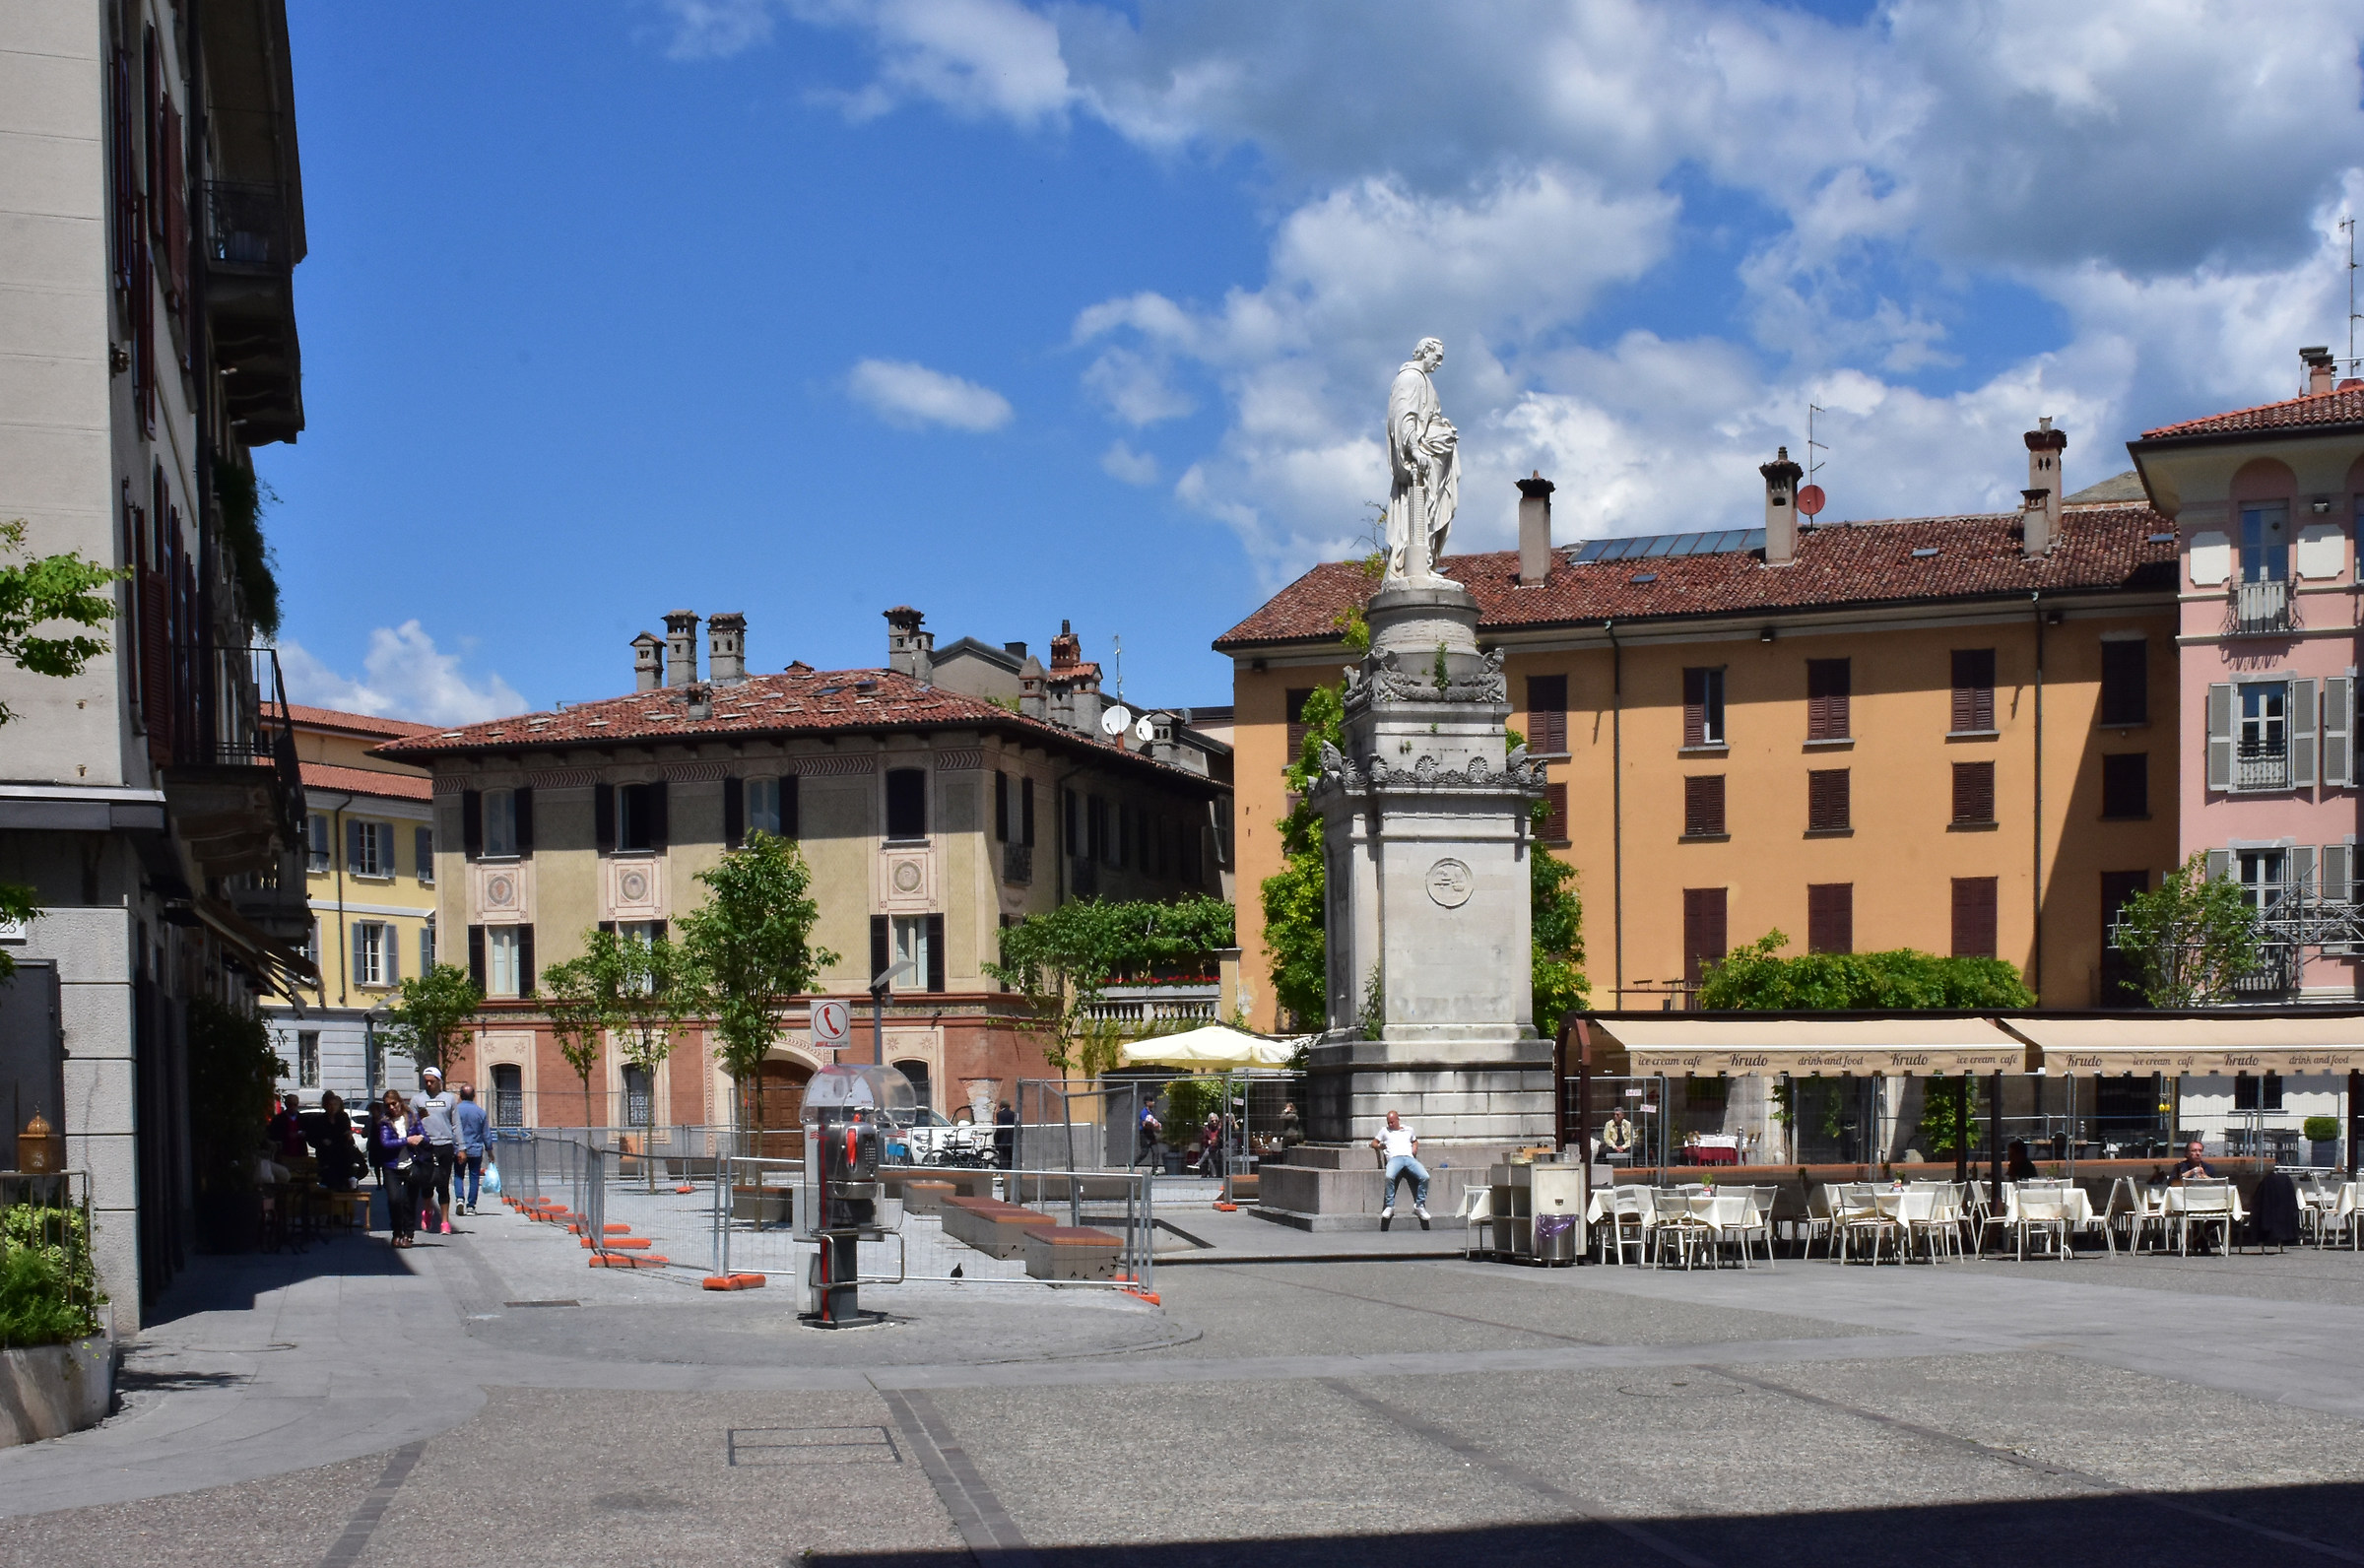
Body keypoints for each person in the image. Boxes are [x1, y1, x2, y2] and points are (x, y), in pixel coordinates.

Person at [412, 1067, 459, 1234]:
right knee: (426, 1182)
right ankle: (427, 1210)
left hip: (444, 1144)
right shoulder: (417, 1100)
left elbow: (456, 1124)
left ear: (440, 1081)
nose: (429, 1084)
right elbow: (412, 1123)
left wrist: (461, 1147)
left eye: (432, 1081)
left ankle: (445, 1221)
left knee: (443, 1183)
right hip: (425, 1145)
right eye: (427, 1082)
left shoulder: (449, 1099)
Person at [375, 1089, 425, 1249]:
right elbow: (385, 1143)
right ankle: (397, 1232)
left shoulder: (412, 1117)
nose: (392, 1108)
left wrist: (421, 1138)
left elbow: (424, 1136)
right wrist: (407, 1140)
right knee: (394, 1200)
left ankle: (408, 1235)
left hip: (411, 1165)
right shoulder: (384, 1122)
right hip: (392, 1166)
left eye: (394, 1103)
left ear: (400, 1102)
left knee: (410, 1201)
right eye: (388, 1105)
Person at [1370, 1109, 1431, 1231]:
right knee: (1389, 1176)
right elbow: (1373, 1143)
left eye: (1392, 1122)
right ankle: (1389, 1206)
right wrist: (1379, 1146)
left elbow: (1415, 1141)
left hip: (1408, 1158)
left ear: (1398, 1120)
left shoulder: (1408, 1130)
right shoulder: (1384, 1131)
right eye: (1388, 1122)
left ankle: (1419, 1206)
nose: (1390, 1125)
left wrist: (1414, 1147)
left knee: (1425, 1177)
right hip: (1394, 1159)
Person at [453, 1082, 491, 1215]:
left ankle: (459, 1198)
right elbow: (486, 1133)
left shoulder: (456, 1110)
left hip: (459, 1148)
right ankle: (471, 1206)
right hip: (475, 1148)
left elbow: (452, 1130)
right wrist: (489, 1150)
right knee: (474, 1177)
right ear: (474, 1096)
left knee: (458, 1175)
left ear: (461, 1096)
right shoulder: (480, 1112)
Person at [313, 1091, 357, 1189]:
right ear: (325, 1106)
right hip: (327, 1156)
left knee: (343, 1179)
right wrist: (322, 1141)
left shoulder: (343, 1118)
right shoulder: (320, 1120)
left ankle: (351, 1180)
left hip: (342, 1155)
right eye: (330, 1105)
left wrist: (347, 1135)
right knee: (330, 1180)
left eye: (335, 1105)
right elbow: (316, 1137)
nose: (332, 1107)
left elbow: (346, 1134)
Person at [994, 1100, 1017, 1172]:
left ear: (1001, 1106)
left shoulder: (999, 1114)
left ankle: (1004, 1172)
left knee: (1003, 1158)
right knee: (1011, 1157)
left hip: (1003, 1138)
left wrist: (996, 1138)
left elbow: (1000, 1127)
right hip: (1012, 1138)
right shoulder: (1013, 1114)